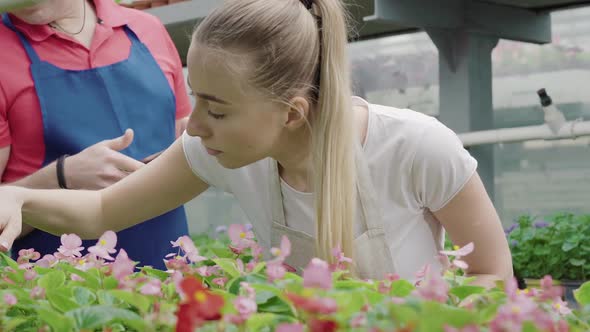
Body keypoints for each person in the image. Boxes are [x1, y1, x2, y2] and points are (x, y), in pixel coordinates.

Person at [0, 0, 513, 285]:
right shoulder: (216, 152)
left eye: (217, 110)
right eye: (195, 98)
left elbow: (494, 275)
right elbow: (102, 211)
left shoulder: (416, 148)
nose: (193, 125)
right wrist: (18, 196)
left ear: (291, 113)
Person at [0, 0, 192, 269]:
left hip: (170, 275)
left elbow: (185, 137)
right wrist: (62, 176)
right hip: (60, 294)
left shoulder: (147, 28)